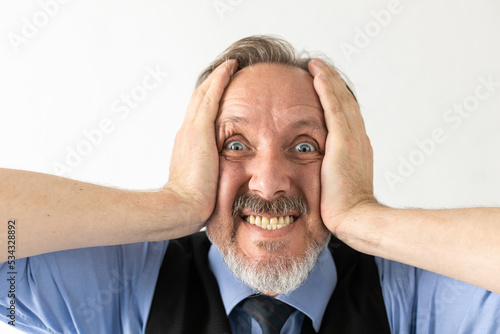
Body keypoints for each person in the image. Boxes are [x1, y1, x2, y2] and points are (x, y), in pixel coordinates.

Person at [1, 35, 499, 333]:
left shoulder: (410, 295)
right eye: (235, 145)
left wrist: (363, 217)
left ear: (346, 161)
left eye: (305, 147)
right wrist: (173, 203)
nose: (269, 180)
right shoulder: (125, 288)